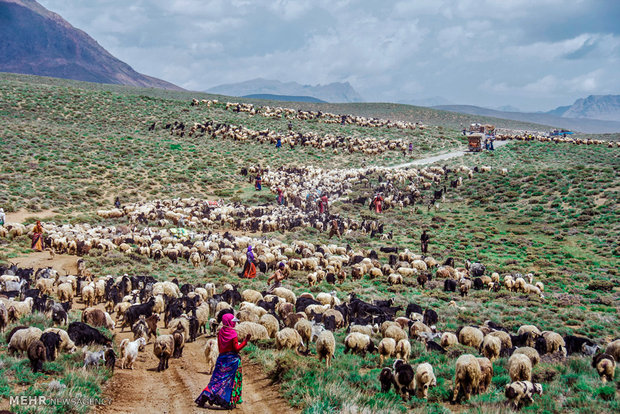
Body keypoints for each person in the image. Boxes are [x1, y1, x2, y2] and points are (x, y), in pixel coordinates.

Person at [195, 313, 250, 409]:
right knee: (229, 381)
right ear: (229, 322)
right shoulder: (233, 334)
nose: (235, 324)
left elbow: (220, 348)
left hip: (221, 359)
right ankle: (228, 401)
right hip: (232, 361)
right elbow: (236, 349)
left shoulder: (220, 333)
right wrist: (246, 341)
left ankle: (205, 395)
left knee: (215, 380)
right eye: (233, 322)